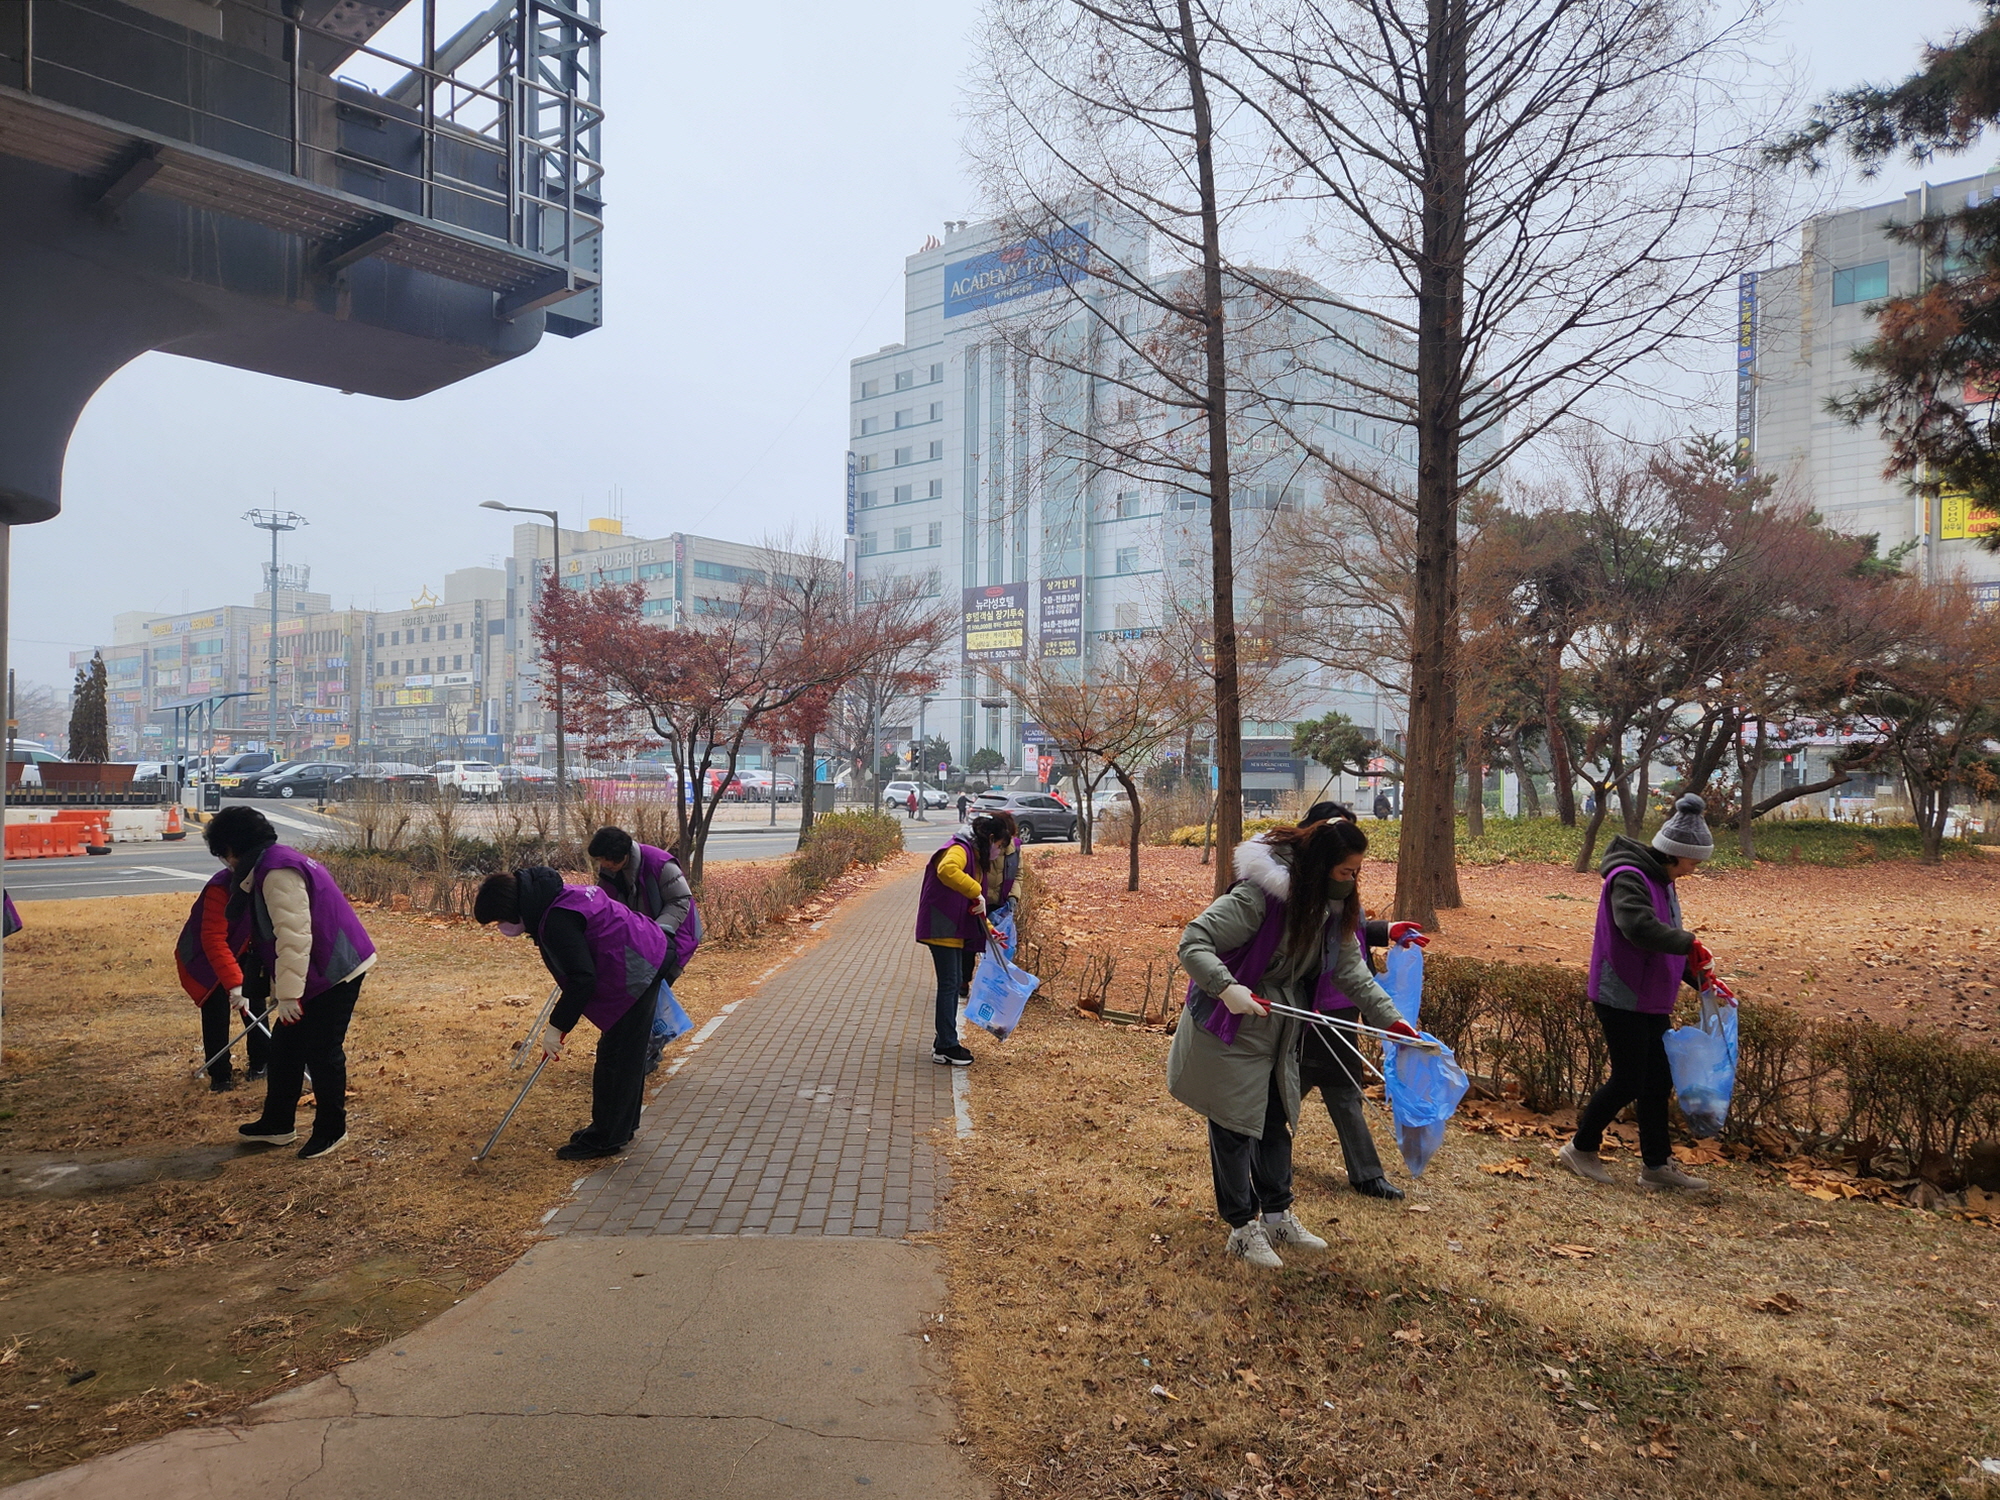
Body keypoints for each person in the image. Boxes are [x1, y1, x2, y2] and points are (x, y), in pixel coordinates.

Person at [1171, 820, 1423, 1269]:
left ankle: (1277, 1213)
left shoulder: (1331, 909)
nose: (1352, 881)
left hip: (1281, 1028)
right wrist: (1228, 988)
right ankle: (1242, 1227)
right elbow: (1195, 942)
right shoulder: (1258, 897)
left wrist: (1392, 1021)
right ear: (1321, 866)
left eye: (1356, 872)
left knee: (1274, 1119)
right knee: (1233, 1127)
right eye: (1346, 871)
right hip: (1232, 1022)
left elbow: (1352, 972)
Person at [1560, 793, 1731, 1192]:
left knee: (1657, 1079)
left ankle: (1656, 1166)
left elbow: (1663, 945)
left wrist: (1702, 980)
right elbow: (1637, 927)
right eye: (1692, 861)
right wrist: (1690, 944)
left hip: (1651, 995)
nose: (1694, 869)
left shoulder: (1663, 880)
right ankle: (1580, 1148)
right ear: (1674, 855)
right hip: (1620, 994)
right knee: (1629, 1080)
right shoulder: (1629, 876)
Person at [208, 806, 376, 1160]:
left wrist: (287, 995)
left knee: (322, 1051)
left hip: (335, 968)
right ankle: (278, 1124)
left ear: (233, 848)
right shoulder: (272, 861)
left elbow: (294, 939)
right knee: (286, 1048)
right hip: (315, 968)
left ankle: (332, 1130)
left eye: (223, 854)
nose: (226, 863)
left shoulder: (276, 871)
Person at [476, 867, 667, 1160]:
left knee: (616, 1058)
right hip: (644, 950)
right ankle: (619, 1128)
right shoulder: (556, 896)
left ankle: (605, 1138)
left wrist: (556, 1027)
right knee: (624, 1054)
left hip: (637, 967)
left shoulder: (556, 919)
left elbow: (582, 978)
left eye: (500, 919)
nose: (502, 927)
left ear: (512, 909)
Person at [1292, 804, 1425, 1200]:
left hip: (1342, 1004)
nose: (1352, 873)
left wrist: (1385, 930)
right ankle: (1256, 1149)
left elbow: (1348, 939)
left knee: (1342, 1087)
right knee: (1293, 1089)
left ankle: (1366, 1174)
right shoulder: (1292, 889)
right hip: (1306, 1008)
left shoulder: (1341, 885)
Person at [587, 826, 699, 1074]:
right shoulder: (610, 869)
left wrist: (657, 932)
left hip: (674, 937)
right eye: (600, 860)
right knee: (637, 993)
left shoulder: (660, 864)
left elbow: (681, 901)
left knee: (647, 992)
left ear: (623, 855)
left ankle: (647, 1051)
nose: (603, 865)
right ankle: (644, 1047)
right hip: (639, 939)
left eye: (606, 860)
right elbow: (606, 904)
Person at [913, 811, 1019, 1066]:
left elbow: (974, 903)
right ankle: (947, 1045)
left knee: (951, 984)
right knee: (950, 985)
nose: (999, 852)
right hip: (943, 927)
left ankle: (944, 1043)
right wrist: (975, 890)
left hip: (951, 927)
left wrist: (990, 929)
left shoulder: (975, 855)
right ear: (991, 838)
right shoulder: (961, 849)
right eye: (1000, 846)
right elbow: (946, 869)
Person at [175, 866, 270, 1092]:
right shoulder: (220, 887)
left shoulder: (270, 879)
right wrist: (234, 984)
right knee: (215, 1007)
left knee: (254, 1002)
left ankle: (260, 1064)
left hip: (249, 947)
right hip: (208, 953)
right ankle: (220, 1074)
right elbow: (213, 938)